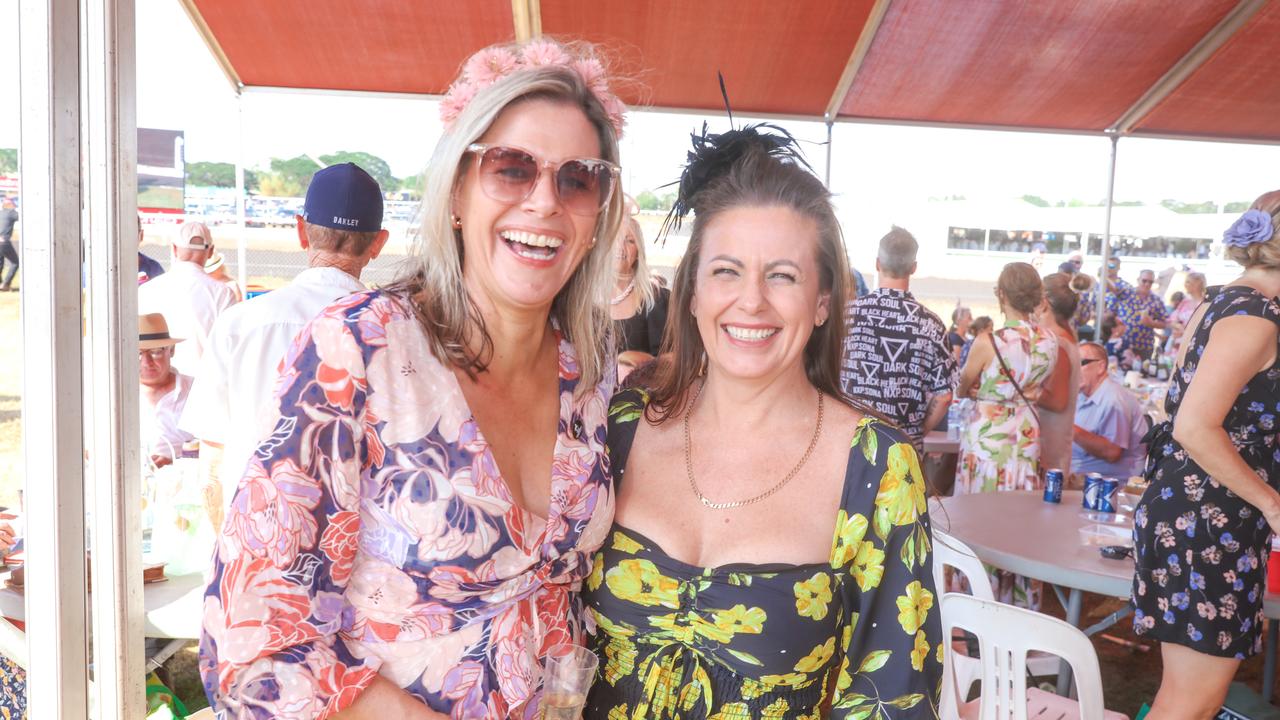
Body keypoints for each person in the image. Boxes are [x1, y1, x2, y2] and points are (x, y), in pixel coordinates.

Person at [199, 38, 626, 720]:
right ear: (457, 190)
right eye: (512, 169)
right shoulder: (358, 350)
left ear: (599, 212)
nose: (545, 201)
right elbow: (254, 634)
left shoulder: (592, 378)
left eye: (578, 178)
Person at [583, 125, 941, 720]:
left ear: (823, 300)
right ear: (692, 291)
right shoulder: (626, 421)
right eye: (726, 271)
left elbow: (893, 697)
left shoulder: (876, 467)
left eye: (782, 275)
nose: (751, 300)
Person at [1132, 191, 1280, 718]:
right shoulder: (1259, 316)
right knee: (1194, 701)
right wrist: (1271, 503)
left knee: (1186, 694)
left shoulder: (1223, 299)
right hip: (1211, 517)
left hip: (1192, 508)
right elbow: (1194, 425)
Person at [181, 163, 390, 530]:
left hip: (253, 540)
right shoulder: (397, 333)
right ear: (378, 243)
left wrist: (222, 550)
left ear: (301, 231)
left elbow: (212, 459)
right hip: (356, 547)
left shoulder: (239, 323)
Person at [953, 262, 1057, 608]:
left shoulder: (988, 342)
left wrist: (982, 391)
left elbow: (963, 385)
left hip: (987, 440)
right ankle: (1018, 604)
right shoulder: (1050, 341)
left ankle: (977, 601)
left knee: (979, 521)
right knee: (1020, 525)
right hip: (1026, 438)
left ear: (1000, 295)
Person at [841, 226, 956, 451]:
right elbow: (944, 396)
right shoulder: (931, 324)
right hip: (903, 451)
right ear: (913, 268)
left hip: (849, 446)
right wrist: (917, 432)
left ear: (877, 264)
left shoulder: (845, 316)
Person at [138, 221, 238, 375]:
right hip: (204, 384)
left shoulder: (146, 290)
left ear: (174, 249)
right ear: (210, 251)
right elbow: (230, 346)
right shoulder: (223, 293)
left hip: (157, 381)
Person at [1071, 342, 1147, 479]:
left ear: (1101, 367)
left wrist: (1069, 429)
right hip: (1080, 474)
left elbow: (1112, 452)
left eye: (1080, 363)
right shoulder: (1083, 394)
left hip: (1103, 484)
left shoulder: (1113, 400)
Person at [1036, 273, 1081, 476]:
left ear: (1044, 303)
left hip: (1049, 445)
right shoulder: (1062, 337)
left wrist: (1020, 391)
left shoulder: (1058, 342)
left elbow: (1057, 401)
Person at [138, 313, 195, 468]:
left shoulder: (198, 391)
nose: (146, 362)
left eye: (155, 351)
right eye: (137, 354)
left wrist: (177, 460)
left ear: (171, 350)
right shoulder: (111, 396)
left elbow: (219, 445)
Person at [610, 214, 669, 356]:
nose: (620, 247)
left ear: (638, 252)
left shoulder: (656, 298)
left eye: (629, 241)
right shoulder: (584, 299)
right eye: (613, 238)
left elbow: (666, 360)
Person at [1115, 268, 1168, 361]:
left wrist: (1151, 323)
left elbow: (1165, 323)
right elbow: (1112, 289)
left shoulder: (1156, 300)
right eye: (1144, 281)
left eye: (1150, 282)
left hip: (1145, 346)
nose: (1147, 284)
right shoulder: (1126, 293)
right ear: (1138, 280)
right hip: (1123, 342)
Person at [1166, 271, 1206, 355]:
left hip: (1193, 346)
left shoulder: (1205, 303)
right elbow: (1171, 320)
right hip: (1177, 346)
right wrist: (1178, 326)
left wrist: (1185, 332)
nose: (1185, 285)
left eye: (1188, 282)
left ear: (1197, 284)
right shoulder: (1185, 302)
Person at [0, 198, 18, 291]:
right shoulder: (11, 213)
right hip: (3, 241)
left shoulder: (1, 212)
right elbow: (23, 217)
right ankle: (5, 284)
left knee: (0, 263)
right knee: (15, 263)